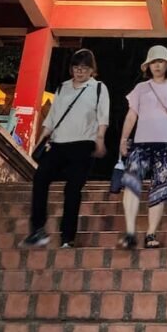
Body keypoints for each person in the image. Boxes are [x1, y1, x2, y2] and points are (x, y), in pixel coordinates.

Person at [22, 48, 109, 248]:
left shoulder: (98, 88)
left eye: (84, 68)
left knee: (72, 189)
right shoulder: (63, 88)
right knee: (41, 178)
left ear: (91, 70)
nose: (80, 72)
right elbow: (52, 117)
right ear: (71, 69)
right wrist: (40, 139)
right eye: (76, 68)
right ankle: (37, 229)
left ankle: (67, 237)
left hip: (83, 144)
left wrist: (100, 139)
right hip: (58, 143)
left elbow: (103, 116)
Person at [117, 45, 167, 250]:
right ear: (147, 66)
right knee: (131, 184)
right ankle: (130, 231)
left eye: (160, 61)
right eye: (153, 62)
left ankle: (150, 233)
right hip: (141, 143)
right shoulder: (141, 88)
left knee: (160, 190)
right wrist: (124, 139)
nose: (157, 65)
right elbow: (132, 115)